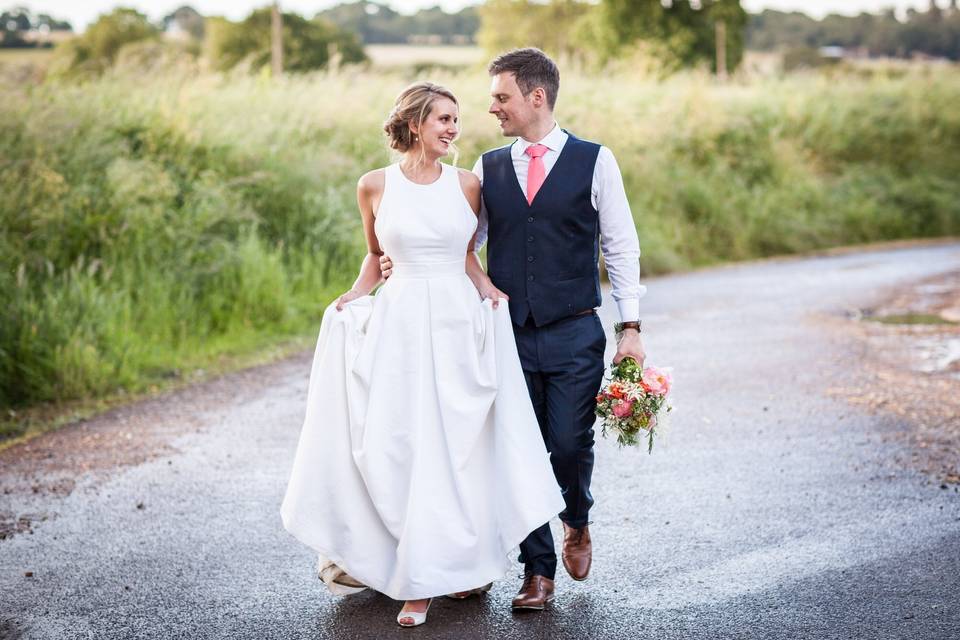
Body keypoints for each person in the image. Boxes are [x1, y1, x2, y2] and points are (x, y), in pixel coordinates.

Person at [280, 81, 565, 628]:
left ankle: (447, 569)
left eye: (456, 120)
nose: (453, 128)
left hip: (456, 324)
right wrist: (352, 298)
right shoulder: (373, 186)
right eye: (443, 119)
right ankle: (411, 573)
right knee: (401, 445)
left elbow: (465, 254)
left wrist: (488, 290)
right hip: (402, 325)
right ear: (415, 124)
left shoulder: (468, 185)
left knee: (457, 447)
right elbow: (374, 257)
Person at [380, 48, 646, 611]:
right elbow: (461, 242)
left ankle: (577, 517)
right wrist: (397, 261)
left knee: (569, 445)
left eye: (501, 96)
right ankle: (538, 572)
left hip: (575, 327)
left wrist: (631, 326)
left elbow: (620, 246)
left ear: (536, 97)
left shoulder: (596, 161)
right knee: (516, 449)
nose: (492, 107)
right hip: (505, 331)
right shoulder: (487, 167)